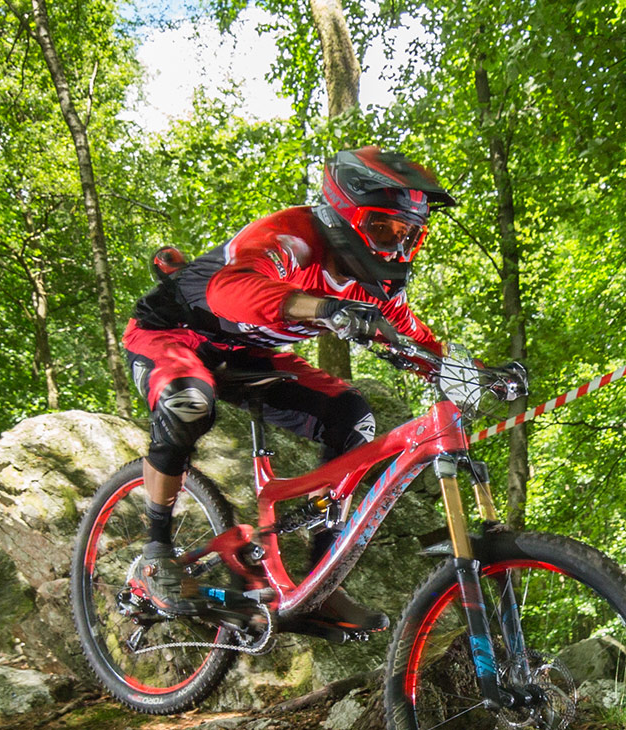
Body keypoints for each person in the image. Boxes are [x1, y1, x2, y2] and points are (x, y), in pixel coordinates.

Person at [124, 145, 455, 636]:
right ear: (345, 209)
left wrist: (465, 370)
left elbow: (407, 331)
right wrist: (324, 309)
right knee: (189, 402)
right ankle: (155, 558)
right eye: (383, 227)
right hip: (172, 335)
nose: (394, 245)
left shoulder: (370, 282)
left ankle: (323, 582)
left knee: (352, 417)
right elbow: (229, 290)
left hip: (250, 355)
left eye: (408, 234)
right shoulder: (292, 236)